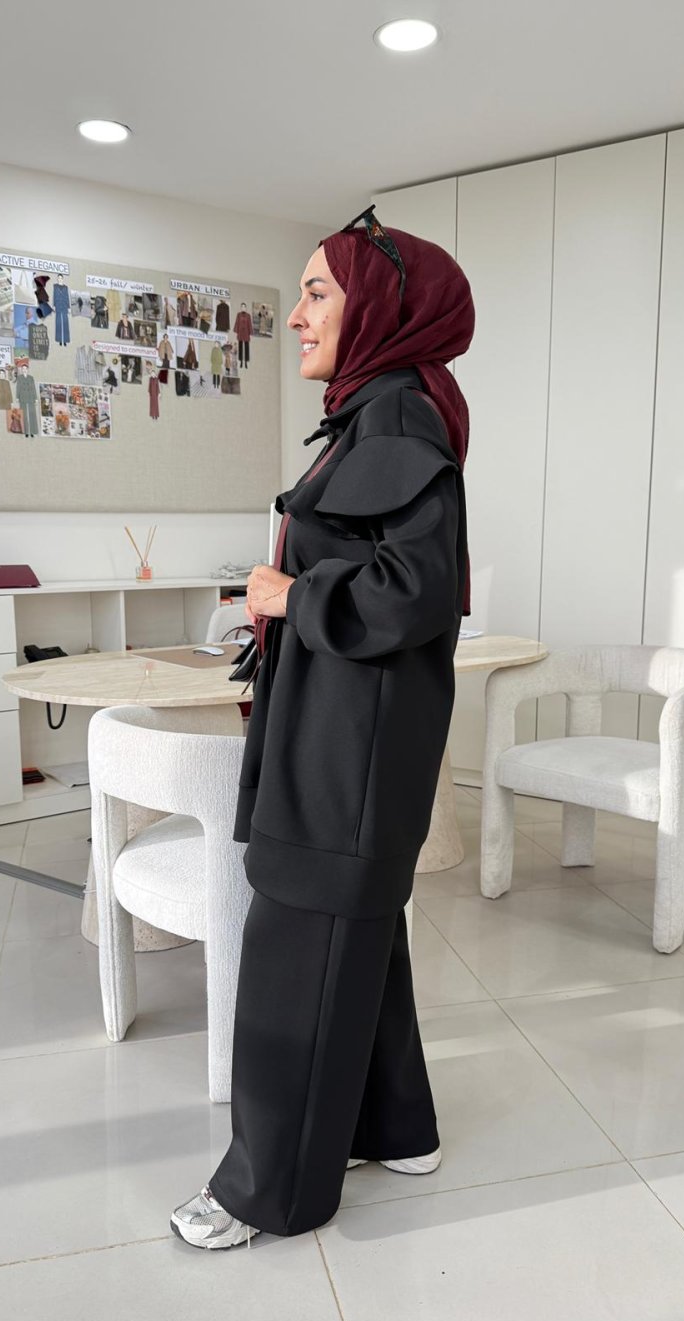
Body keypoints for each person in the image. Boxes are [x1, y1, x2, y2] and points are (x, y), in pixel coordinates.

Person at [170, 207, 475, 1250]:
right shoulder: (382, 412)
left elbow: (412, 589)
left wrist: (286, 592)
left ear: (380, 306)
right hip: (353, 733)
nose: (296, 316)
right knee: (356, 927)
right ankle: (397, 1128)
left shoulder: (394, 421)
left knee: (298, 950)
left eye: (316, 293)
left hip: (349, 745)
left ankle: (268, 1191)